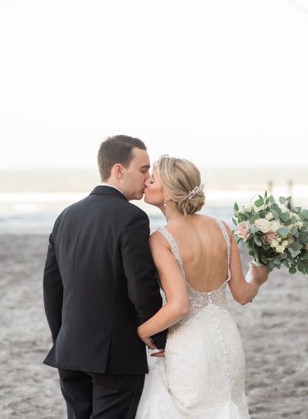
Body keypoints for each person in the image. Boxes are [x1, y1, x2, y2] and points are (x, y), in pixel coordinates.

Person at [133, 156, 268, 418]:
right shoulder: (222, 228)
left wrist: (140, 332)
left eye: (153, 178)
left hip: (191, 348)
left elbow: (179, 306)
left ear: (169, 193)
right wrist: (259, 279)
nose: (147, 182)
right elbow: (242, 295)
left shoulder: (161, 240)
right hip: (227, 343)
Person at [44, 134, 167, 419]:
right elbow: (142, 287)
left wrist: (61, 337)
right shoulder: (131, 217)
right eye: (143, 169)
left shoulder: (66, 216)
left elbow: (52, 288)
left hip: (69, 351)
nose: (148, 178)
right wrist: (157, 336)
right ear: (118, 170)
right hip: (115, 356)